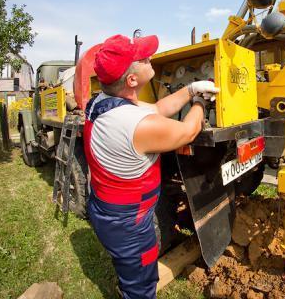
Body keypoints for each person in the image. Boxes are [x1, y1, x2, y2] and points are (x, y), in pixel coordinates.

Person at [83, 34, 219, 299]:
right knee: (141, 284)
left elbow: (157, 108)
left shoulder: (102, 102)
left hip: (108, 208)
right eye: (144, 59)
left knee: (131, 270)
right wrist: (201, 103)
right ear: (132, 80)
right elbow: (189, 131)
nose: (151, 58)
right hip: (129, 222)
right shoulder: (135, 125)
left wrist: (191, 89)